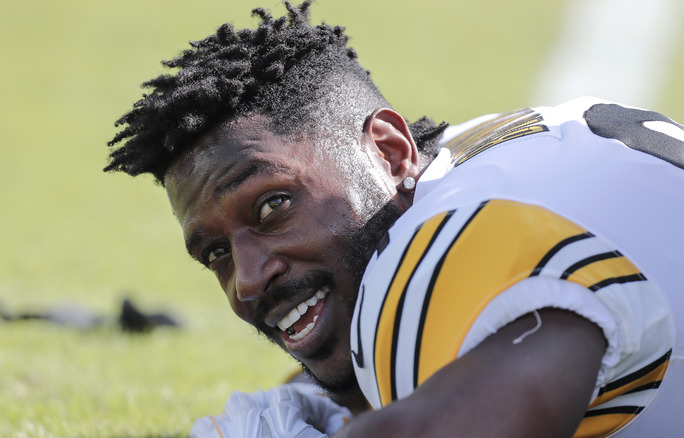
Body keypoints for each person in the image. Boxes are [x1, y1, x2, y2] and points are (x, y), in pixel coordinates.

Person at [105, 2, 684, 436]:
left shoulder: (453, 240)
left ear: (386, 150)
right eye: (216, 253)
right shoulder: (471, 162)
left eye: (273, 205)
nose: (248, 278)